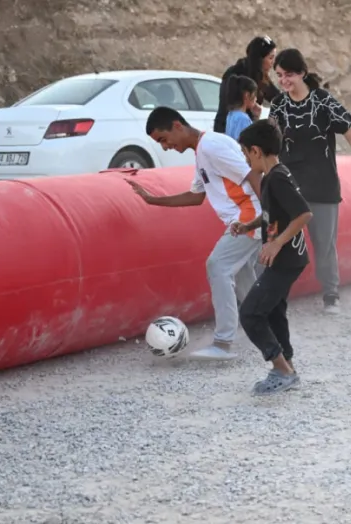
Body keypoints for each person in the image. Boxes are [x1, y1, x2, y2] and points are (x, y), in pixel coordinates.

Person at [127, 106, 264, 360]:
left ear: (177, 126)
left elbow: (253, 173)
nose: (165, 147)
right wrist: (152, 200)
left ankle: (223, 343)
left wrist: (267, 216)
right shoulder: (202, 152)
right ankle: (264, 325)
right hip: (243, 219)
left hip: (249, 217)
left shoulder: (212, 146)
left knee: (218, 265)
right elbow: (196, 196)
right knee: (243, 273)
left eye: (163, 139)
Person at [269, 48, 351, 315]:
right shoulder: (278, 105)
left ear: (302, 72)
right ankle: (277, 294)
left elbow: (349, 131)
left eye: (288, 74)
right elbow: (270, 140)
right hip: (289, 185)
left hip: (322, 184)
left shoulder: (323, 101)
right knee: (283, 240)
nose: (284, 81)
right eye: (279, 75)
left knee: (324, 244)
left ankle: (331, 293)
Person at [229, 120, 312, 394]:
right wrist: (250, 226)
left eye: (244, 153)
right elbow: (274, 215)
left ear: (255, 151)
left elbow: (303, 214)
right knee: (274, 311)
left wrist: (275, 244)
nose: (244, 159)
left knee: (250, 313)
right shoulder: (272, 176)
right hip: (286, 259)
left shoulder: (276, 178)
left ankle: (281, 371)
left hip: (285, 259)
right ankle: (287, 363)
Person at [214, 35, 279, 133]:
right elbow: (228, 104)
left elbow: (277, 97)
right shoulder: (236, 75)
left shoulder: (260, 76)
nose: (273, 63)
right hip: (230, 129)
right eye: (270, 58)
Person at [223, 75, 260, 142]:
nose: (256, 99)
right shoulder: (243, 119)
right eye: (255, 95)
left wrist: (256, 117)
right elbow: (245, 143)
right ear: (247, 95)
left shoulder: (231, 114)